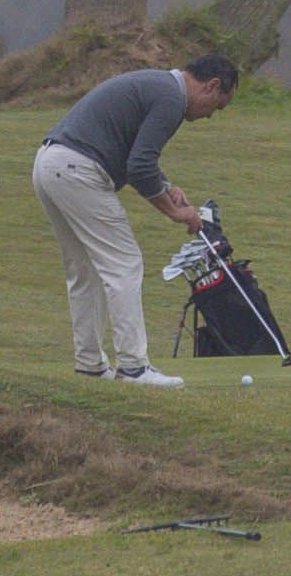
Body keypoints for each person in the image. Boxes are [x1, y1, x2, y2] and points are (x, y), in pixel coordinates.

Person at [31, 49, 235, 387]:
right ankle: (134, 367)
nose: (211, 115)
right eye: (218, 106)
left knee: (84, 271)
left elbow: (133, 155)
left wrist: (166, 187)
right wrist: (177, 213)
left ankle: (91, 365)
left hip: (49, 164)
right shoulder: (171, 99)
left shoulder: (159, 86)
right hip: (78, 170)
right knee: (124, 263)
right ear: (211, 86)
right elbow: (139, 167)